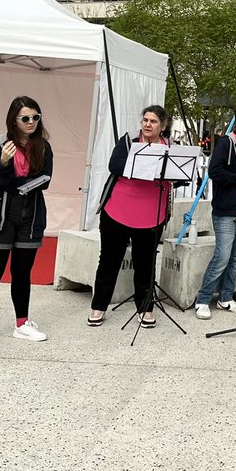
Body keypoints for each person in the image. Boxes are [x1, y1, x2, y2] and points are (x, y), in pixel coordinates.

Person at [0, 96, 53, 351]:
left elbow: (46, 179)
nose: (31, 122)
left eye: (35, 117)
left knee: (22, 273)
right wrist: (6, 164)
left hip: (31, 216)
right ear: (14, 120)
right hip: (0, 216)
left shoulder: (43, 146)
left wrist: (14, 182)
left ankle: (22, 323)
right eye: (26, 118)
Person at [88, 105, 175, 329]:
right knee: (109, 261)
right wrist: (145, 166)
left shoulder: (171, 148)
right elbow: (114, 165)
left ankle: (145, 308)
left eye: (153, 121)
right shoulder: (128, 141)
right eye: (145, 119)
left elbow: (181, 175)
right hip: (117, 211)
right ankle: (99, 306)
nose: (147, 124)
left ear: (162, 126)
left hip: (151, 215)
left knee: (145, 264)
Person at [195, 103, 236, 320]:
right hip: (226, 209)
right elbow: (215, 171)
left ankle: (226, 298)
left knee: (235, 258)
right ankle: (203, 299)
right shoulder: (227, 142)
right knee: (222, 256)